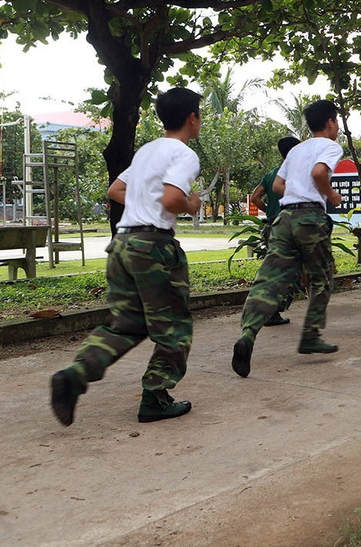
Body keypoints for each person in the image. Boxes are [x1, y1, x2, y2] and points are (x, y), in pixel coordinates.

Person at [49, 87, 203, 426]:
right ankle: (156, 397)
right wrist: (191, 203)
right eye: (200, 116)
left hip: (122, 244)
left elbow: (115, 190)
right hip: (153, 247)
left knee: (127, 324)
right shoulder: (184, 154)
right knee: (173, 328)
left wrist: (143, 203)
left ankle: (76, 374)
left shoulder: (148, 151)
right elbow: (174, 199)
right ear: (192, 118)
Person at [232, 99, 343, 377]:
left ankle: (247, 334)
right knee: (321, 277)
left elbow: (279, 185)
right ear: (330, 123)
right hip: (310, 218)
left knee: (269, 280)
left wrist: (296, 194)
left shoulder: (296, 150)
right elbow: (319, 172)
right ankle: (310, 336)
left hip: (284, 219)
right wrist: (330, 195)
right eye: (337, 122)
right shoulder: (330, 146)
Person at [249, 135, 301, 327]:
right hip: (290, 226)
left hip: (271, 226)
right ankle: (271, 311)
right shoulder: (297, 173)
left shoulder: (272, 174)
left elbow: (255, 197)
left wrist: (270, 211)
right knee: (290, 273)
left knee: (273, 270)